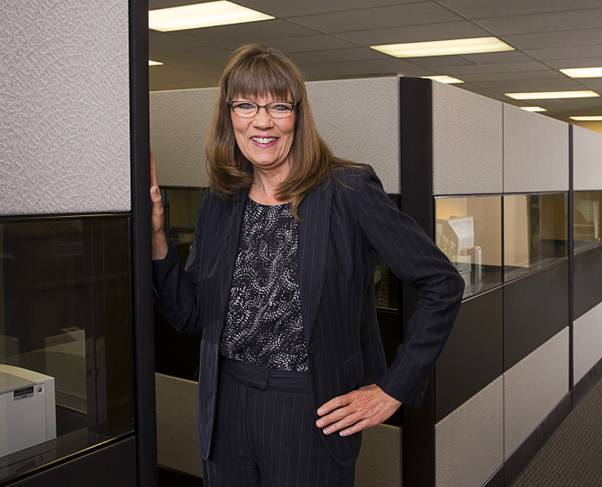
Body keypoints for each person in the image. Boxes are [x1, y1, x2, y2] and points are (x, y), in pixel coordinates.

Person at [150, 44, 464, 486]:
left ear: (298, 114)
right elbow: (190, 315)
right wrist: (157, 237)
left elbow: (441, 283)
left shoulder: (347, 190)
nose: (262, 122)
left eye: (278, 106)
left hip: (309, 408)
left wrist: (394, 388)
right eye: (245, 105)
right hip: (225, 406)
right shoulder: (221, 200)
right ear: (229, 116)